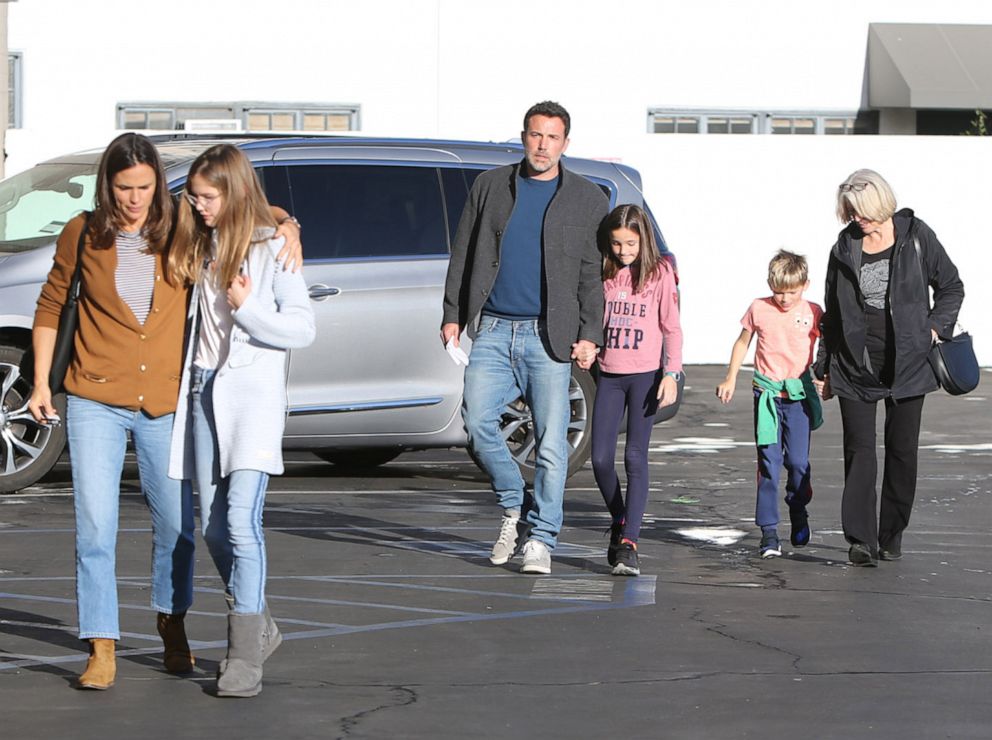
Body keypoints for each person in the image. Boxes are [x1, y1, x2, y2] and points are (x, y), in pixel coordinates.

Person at [28, 132, 302, 690]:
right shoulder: (83, 233)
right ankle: (100, 645)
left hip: (164, 400)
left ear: (159, 183)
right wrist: (39, 383)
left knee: (177, 527)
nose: (134, 199)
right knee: (96, 527)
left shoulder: (180, 221)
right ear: (108, 185)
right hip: (94, 397)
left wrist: (288, 222)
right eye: (124, 188)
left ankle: (171, 625)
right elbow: (51, 305)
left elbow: (243, 205)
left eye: (145, 187)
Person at [168, 144, 315, 697]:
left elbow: (302, 329)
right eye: (196, 196)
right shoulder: (200, 242)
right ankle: (261, 626)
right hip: (204, 389)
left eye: (209, 197)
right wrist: (286, 214)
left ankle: (242, 658)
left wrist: (250, 306)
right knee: (210, 526)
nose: (200, 205)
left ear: (232, 192)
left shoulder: (273, 248)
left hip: (251, 400)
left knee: (239, 524)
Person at [441, 101, 608, 575]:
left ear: (565, 144)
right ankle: (514, 501)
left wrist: (590, 334)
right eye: (535, 135)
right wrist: (453, 313)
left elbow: (590, 277)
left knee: (552, 444)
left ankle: (542, 539)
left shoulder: (588, 199)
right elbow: (464, 252)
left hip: (548, 335)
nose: (542, 145)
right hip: (492, 328)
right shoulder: (491, 186)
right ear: (523, 136)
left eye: (552, 138)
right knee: (476, 426)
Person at [813, 169, 963, 567]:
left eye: (860, 211)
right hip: (855, 363)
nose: (855, 219)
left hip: (910, 363)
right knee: (859, 452)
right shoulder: (843, 247)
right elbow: (832, 312)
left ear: (880, 203)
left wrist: (933, 326)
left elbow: (951, 286)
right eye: (849, 212)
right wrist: (823, 364)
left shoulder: (917, 236)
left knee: (902, 452)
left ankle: (891, 535)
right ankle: (861, 540)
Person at [577, 204, 682, 576]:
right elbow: (592, 320)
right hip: (609, 377)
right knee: (601, 459)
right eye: (617, 244)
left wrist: (672, 373)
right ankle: (620, 519)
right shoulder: (605, 274)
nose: (624, 251)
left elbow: (672, 328)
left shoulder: (659, 274)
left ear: (644, 240)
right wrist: (588, 346)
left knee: (635, 458)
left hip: (646, 378)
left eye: (631, 244)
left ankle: (629, 544)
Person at [716, 251, 823, 559]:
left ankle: (799, 507)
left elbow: (828, 348)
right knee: (768, 464)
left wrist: (825, 377)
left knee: (798, 463)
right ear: (769, 284)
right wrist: (731, 377)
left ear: (805, 285)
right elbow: (742, 342)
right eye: (778, 291)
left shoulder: (814, 312)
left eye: (792, 291)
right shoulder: (759, 308)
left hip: (798, 396)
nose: (785, 298)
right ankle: (769, 532)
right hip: (767, 396)